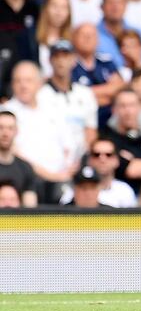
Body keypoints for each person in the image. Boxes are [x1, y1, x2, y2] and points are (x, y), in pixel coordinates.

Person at [1, 62, 75, 204]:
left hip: (61, 179)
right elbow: (13, 151)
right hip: (27, 179)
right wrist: (52, 176)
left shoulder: (53, 108)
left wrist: (66, 170)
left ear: (40, 83)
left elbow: (69, 144)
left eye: (28, 80)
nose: (23, 85)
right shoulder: (6, 112)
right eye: (18, 80)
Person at [37, 39, 97, 160]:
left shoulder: (85, 93)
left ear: (74, 60)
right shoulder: (40, 94)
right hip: (50, 156)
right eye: (56, 56)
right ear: (50, 60)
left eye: (66, 56)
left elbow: (91, 130)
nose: (61, 61)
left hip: (81, 158)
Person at [71, 23, 125, 128]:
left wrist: (89, 92)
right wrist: (108, 92)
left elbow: (119, 88)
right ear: (74, 39)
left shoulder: (107, 61)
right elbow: (75, 97)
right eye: (84, 35)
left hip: (112, 119)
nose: (88, 39)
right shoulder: (70, 66)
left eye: (92, 35)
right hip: (83, 121)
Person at [72, 137, 136, 208]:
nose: (102, 159)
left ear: (117, 160)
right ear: (89, 159)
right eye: (96, 155)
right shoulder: (72, 191)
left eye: (108, 155)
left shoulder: (125, 191)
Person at [0, 110, 38, 207]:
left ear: (16, 131)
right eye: (1, 128)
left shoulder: (25, 168)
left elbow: (30, 209)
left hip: (17, 221)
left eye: (10, 128)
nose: (5, 133)